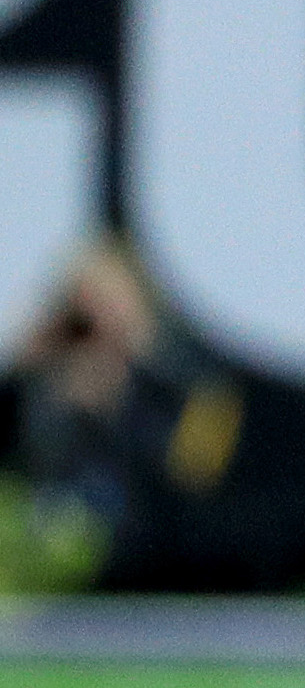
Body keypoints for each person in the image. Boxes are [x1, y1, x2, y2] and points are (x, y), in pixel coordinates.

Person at [4, 238, 241, 596]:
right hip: (53, 581)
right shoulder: (37, 384)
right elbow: (21, 479)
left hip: (167, 576)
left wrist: (117, 405)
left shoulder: (192, 386)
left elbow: (197, 484)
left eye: (107, 307)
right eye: (81, 316)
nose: (96, 330)